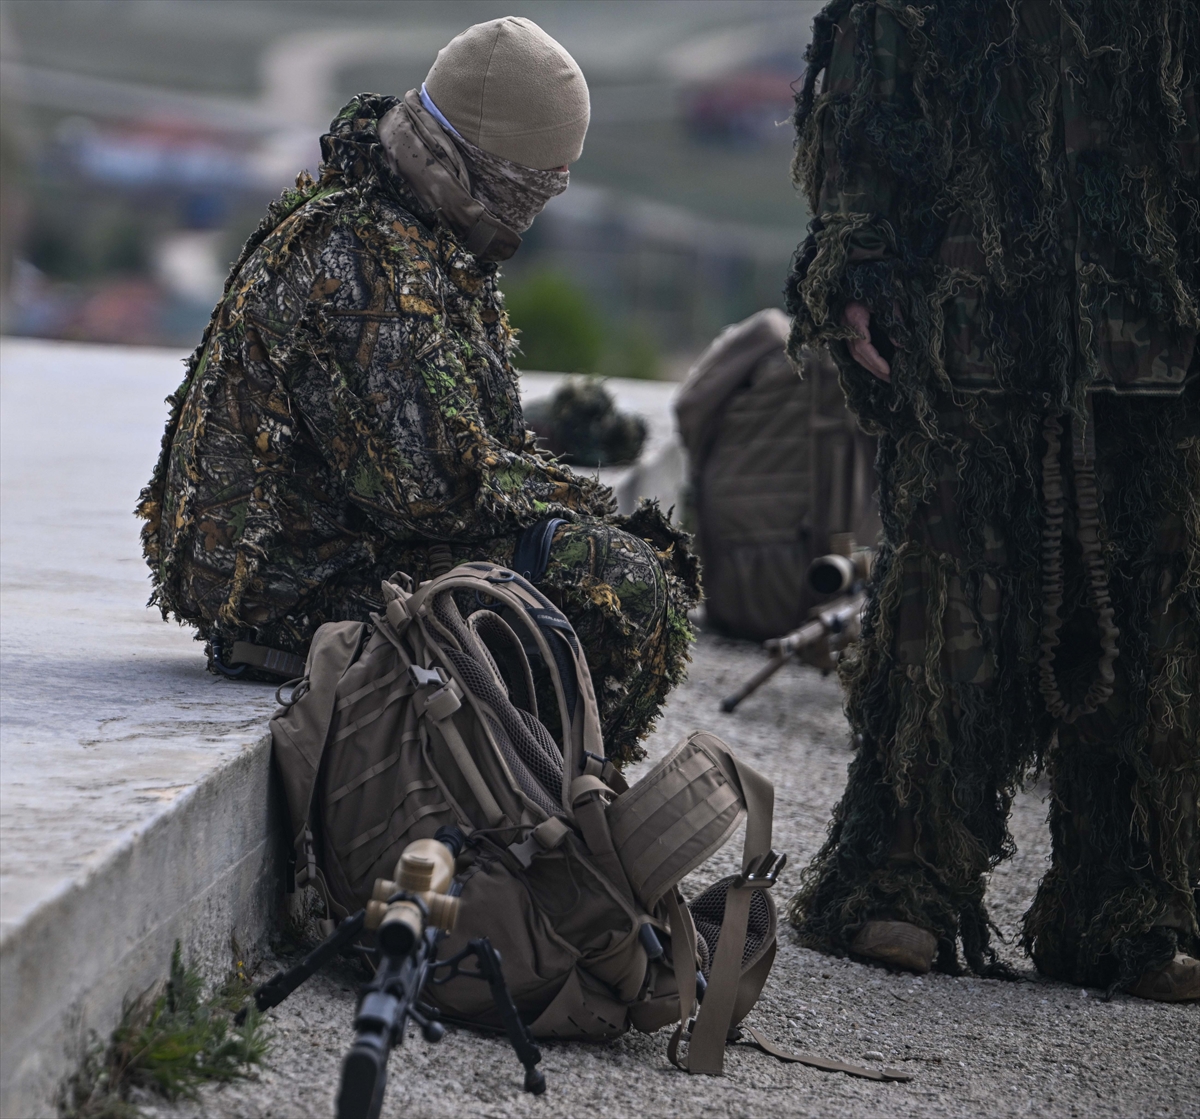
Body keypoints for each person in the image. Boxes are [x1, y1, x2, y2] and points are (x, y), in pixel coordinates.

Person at [136, 17, 698, 766]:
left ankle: (536, 792)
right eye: (536, 183)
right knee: (618, 581)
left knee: (600, 555)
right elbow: (436, 488)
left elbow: (445, 440)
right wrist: (579, 508)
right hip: (293, 594)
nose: (542, 203)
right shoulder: (366, 258)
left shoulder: (415, 227)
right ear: (490, 167)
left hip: (345, 546)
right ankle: (537, 823)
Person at [784, 0, 1198, 999]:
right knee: (946, 614)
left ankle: (1131, 906)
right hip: (968, 309)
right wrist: (857, 261)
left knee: (1164, 631)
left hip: (1156, 319)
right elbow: (872, 84)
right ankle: (902, 882)